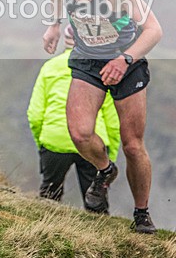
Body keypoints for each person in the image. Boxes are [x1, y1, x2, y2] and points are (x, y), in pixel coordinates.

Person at [41, 0, 162, 234]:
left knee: (133, 145)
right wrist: (54, 26)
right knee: (79, 134)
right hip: (87, 59)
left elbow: (153, 30)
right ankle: (105, 170)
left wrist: (124, 60)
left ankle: (142, 214)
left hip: (126, 62)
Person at [28, 25, 120, 210]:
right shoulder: (99, 68)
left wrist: (43, 144)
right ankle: (100, 235)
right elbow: (112, 120)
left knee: (48, 198)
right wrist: (109, 158)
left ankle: (42, 233)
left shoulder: (50, 67)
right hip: (93, 139)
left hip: (55, 138)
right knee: (96, 201)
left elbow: (35, 114)